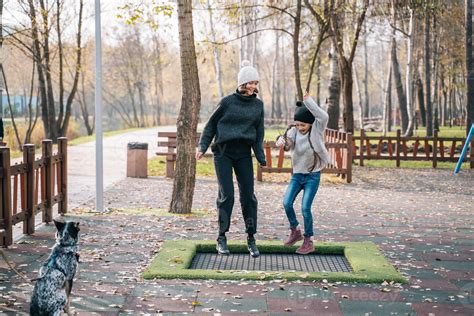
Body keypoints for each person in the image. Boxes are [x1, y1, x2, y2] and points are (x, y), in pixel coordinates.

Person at [196, 60, 266, 258]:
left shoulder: (258, 106)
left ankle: (251, 238)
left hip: (244, 153)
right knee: (227, 195)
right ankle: (221, 237)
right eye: (250, 83)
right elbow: (210, 125)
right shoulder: (227, 102)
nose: (253, 87)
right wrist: (202, 146)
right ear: (242, 84)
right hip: (223, 152)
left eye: (256, 83)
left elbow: (259, 132)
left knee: (249, 197)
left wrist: (260, 156)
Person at [275, 92, 329, 254]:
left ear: (311, 124)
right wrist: (281, 141)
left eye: (303, 125)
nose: (300, 128)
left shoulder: (317, 130)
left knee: (305, 208)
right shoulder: (293, 131)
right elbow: (287, 143)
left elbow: (323, 116)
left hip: (312, 176)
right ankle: (295, 231)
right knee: (287, 203)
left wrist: (308, 101)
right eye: (297, 124)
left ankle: (308, 240)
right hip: (297, 175)